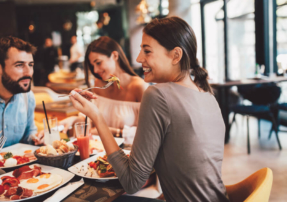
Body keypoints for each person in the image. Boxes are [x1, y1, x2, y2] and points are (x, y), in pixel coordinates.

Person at [68, 17, 229, 202]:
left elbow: (132, 182)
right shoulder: (208, 94)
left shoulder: (157, 94)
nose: (138, 58)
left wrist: (97, 116)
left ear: (176, 56)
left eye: (147, 51)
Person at [34, 36, 148, 146]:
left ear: (114, 56)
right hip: (99, 153)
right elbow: (90, 119)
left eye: (98, 63)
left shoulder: (139, 87)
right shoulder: (99, 84)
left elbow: (149, 133)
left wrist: (112, 131)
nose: (95, 70)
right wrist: (73, 120)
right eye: (92, 65)